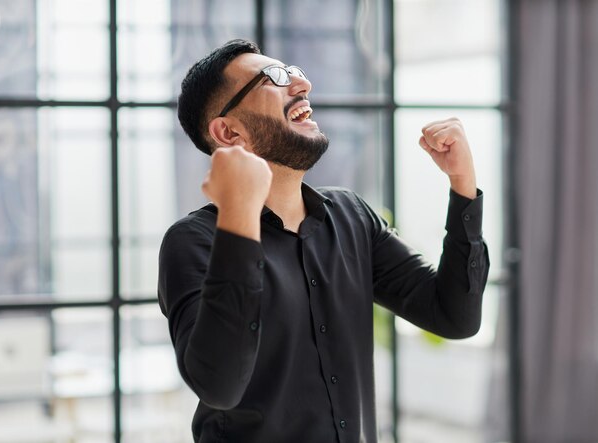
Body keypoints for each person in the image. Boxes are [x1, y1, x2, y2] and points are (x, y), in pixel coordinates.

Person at [158, 39, 489, 443]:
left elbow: (453, 316)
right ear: (228, 131)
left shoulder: (352, 216)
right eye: (274, 78)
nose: (301, 84)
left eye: (293, 70)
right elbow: (220, 386)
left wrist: (463, 186)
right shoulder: (193, 243)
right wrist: (240, 209)